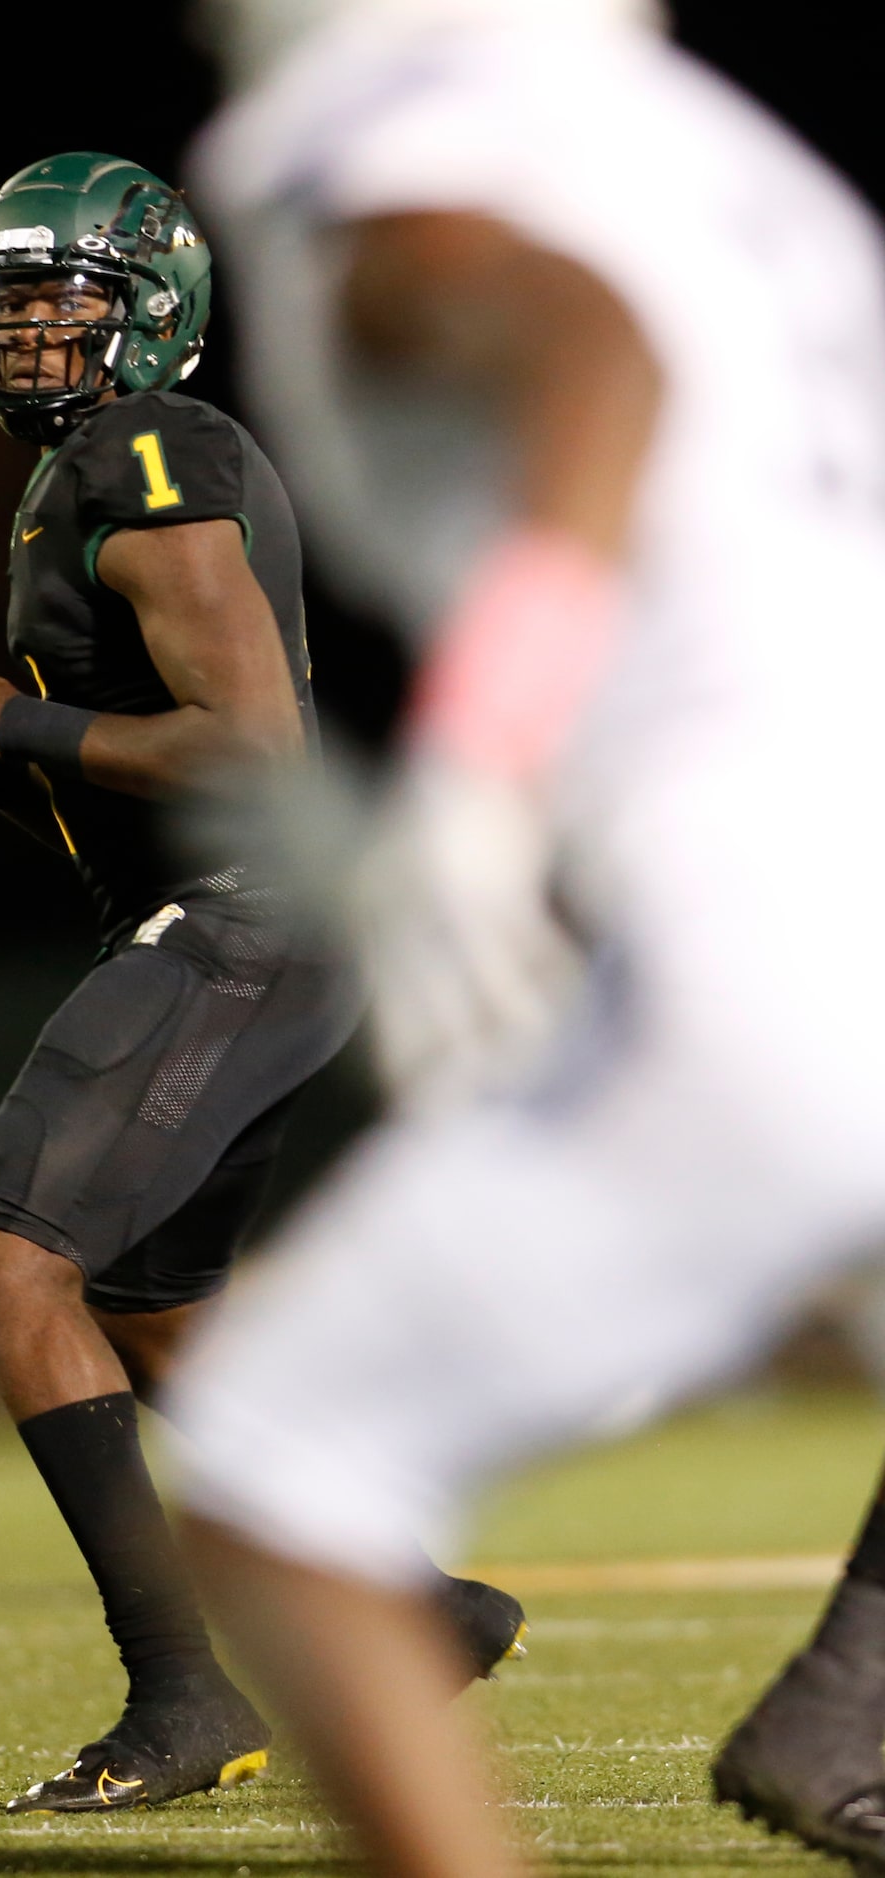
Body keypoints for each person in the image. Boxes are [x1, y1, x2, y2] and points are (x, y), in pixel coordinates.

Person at [158, 3, 885, 1873]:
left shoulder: (412, 121)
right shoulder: (716, 147)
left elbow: (595, 353)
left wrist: (484, 760)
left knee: (281, 1467)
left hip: (790, 936)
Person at [0, 150, 525, 1819]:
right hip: (251, 916)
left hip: (257, 908)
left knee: (1, 1269)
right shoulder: (86, 469)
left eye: (67, 296)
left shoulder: (149, 450)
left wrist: (2, 720)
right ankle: (420, 1607)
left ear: (153, 313)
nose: (33, 329)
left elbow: (252, 750)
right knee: (147, 1312)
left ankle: (184, 1692)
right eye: (11, 300)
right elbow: (115, 773)